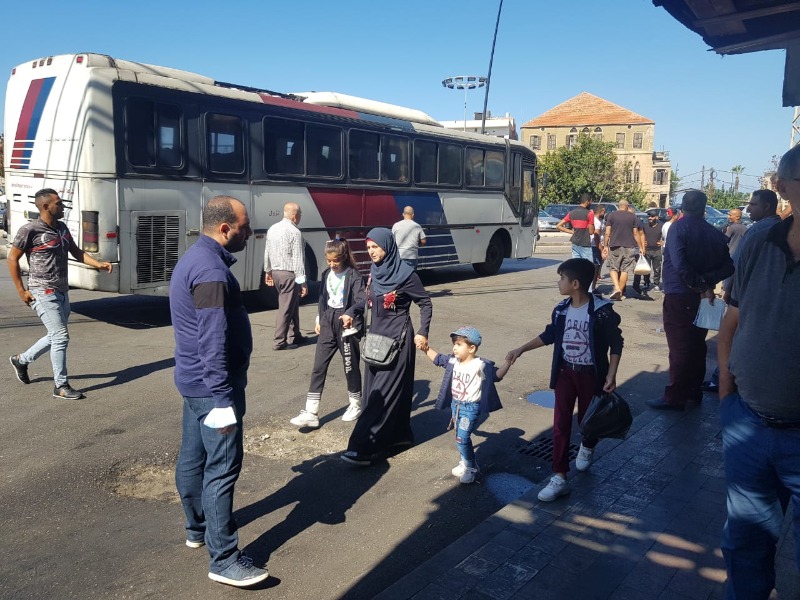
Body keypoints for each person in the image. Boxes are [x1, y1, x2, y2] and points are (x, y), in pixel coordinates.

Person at [170, 196, 268, 587]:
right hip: (213, 389)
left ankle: (197, 528)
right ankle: (224, 559)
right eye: (244, 227)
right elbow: (212, 340)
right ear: (225, 228)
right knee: (221, 470)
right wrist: (224, 400)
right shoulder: (210, 270)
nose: (249, 232)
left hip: (194, 383)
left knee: (193, 458)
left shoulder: (195, 258)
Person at [717, 147, 800, 599]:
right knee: (745, 547)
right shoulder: (760, 241)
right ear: (783, 188)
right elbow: (732, 319)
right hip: (748, 425)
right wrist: (727, 398)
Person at [506, 258, 623, 501]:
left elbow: (616, 343)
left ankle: (588, 444)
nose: (558, 283)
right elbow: (549, 335)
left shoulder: (602, 312)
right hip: (565, 374)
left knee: (587, 421)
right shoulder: (561, 310)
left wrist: (611, 374)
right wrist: (520, 349)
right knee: (560, 424)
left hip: (591, 375)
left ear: (575, 284)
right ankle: (559, 476)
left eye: (562, 278)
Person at [8, 188, 113, 400]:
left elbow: (76, 252)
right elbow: (12, 258)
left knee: (55, 335)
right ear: (46, 206)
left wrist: (98, 264)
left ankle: (22, 360)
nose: (63, 206)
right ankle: (61, 385)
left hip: (62, 291)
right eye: (59, 203)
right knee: (60, 336)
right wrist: (21, 290)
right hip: (41, 291)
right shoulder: (30, 230)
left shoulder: (62, 227)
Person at [341, 228, 433, 465]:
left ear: (388, 246)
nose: (371, 252)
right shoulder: (375, 271)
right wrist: (351, 311)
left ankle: (362, 447)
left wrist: (423, 331)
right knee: (375, 392)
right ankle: (398, 438)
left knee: (381, 394)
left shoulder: (406, 275)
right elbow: (366, 301)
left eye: (376, 247)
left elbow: (425, 302)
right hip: (375, 341)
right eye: (368, 247)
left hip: (398, 341)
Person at [646, 190, 733, 411]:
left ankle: (675, 396)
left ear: (683, 207)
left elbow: (680, 265)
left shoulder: (679, 228)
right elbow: (728, 267)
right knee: (696, 345)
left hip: (680, 294)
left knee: (680, 347)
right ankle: (693, 390)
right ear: (704, 208)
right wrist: (707, 283)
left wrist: (700, 284)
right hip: (699, 297)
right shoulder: (713, 232)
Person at [702, 189, 781, 393]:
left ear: (767, 206)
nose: (749, 209)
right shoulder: (778, 228)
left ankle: (724, 380)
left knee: (731, 338)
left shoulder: (758, 231)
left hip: (746, 298)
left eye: (753, 204)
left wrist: (730, 291)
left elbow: (739, 267)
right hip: (765, 298)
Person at [290, 238, 366, 428]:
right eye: (329, 260)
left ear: (344, 257)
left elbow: (362, 300)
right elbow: (323, 299)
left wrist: (350, 313)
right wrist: (319, 319)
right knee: (318, 366)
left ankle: (356, 403)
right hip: (328, 321)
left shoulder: (354, 275)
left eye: (335, 261)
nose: (332, 264)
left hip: (346, 324)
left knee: (350, 366)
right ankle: (311, 411)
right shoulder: (326, 274)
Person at [425, 326, 510, 484]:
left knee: (462, 438)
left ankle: (470, 467)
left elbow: (496, 375)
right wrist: (426, 348)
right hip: (456, 405)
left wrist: (508, 363)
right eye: (454, 344)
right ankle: (465, 462)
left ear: (471, 348)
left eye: (459, 344)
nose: (454, 348)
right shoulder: (453, 361)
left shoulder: (480, 365)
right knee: (460, 436)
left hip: (470, 408)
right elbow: (438, 359)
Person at [264, 202, 308, 351]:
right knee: (286, 307)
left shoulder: (272, 229)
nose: (300, 217)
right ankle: (279, 341)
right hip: (289, 274)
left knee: (291, 303)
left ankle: (295, 335)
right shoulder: (295, 232)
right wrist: (303, 282)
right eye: (300, 215)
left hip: (276, 273)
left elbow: (267, 252)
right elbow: (298, 259)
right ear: (295, 216)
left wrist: (268, 271)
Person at [603, 199, 644, 300]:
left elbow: (607, 232)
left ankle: (617, 288)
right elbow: (636, 233)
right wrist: (640, 247)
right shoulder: (633, 216)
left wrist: (605, 246)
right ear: (627, 206)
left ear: (618, 206)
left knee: (613, 268)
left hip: (614, 245)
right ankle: (620, 294)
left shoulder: (611, 215)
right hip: (629, 246)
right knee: (625, 270)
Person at [632, 209, 664, 294]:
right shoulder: (645, 226)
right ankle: (647, 283)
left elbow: (666, 236)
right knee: (646, 269)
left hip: (657, 251)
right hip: (647, 250)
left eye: (652, 216)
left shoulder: (661, 226)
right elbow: (640, 235)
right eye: (649, 216)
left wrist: (663, 242)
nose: (650, 218)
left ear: (656, 217)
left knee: (657, 269)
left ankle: (656, 284)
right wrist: (642, 243)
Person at [556, 193, 595, 261]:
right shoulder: (589, 213)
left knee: (576, 265)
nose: (591, 203)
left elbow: (558, 226)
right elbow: (591, 232)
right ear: (587, 202)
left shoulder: (571, 213)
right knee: (588, 265)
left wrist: (572, 232)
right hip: (585, 243)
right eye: (590, 202)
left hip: (575, 243)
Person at [591, 205, 606, 290]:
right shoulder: (596, 222)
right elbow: (596, 237)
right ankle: (592, 287)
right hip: (595, 245)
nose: (604, 213)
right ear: (600, 212)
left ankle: (592, 286)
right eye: (604, 211)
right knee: (596, 266)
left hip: (596, 244)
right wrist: (601, 249)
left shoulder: (598, 220)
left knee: (597, 265)